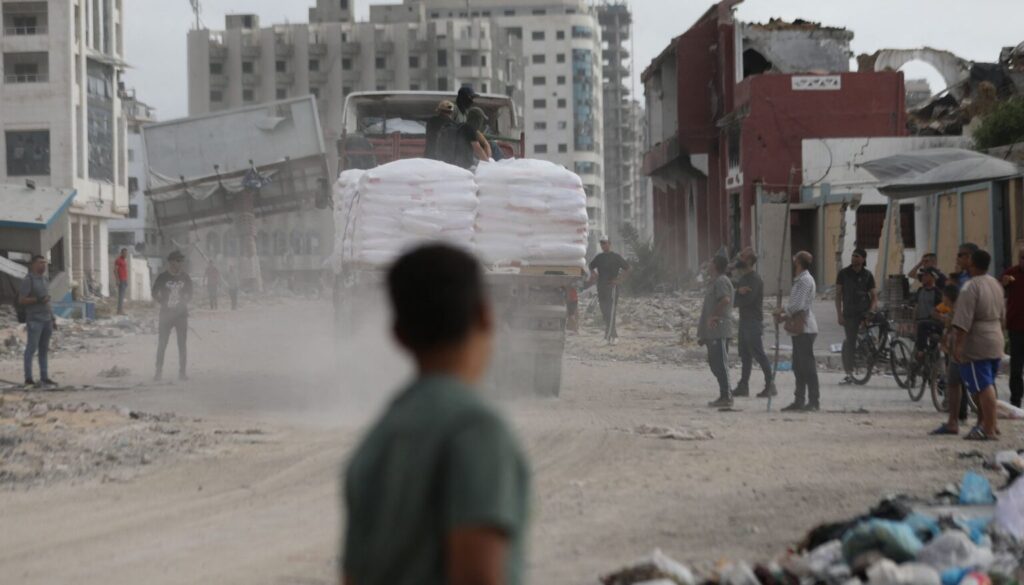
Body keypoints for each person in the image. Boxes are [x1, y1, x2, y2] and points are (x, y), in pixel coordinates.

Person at [342, 244, 529, 585]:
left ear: (397, 334)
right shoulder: (476, 429)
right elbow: (478, 576)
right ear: (486, 315)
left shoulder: (378, 440)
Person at [951, 249, 1005, 441]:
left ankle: (989, 428)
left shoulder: (970, 287)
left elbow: (963, 319)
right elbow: (1003, 315)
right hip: (996, 336)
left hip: (977, 342)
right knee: (988, 382)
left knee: (982, 386)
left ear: (972, 264)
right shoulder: (995, 284)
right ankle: (991, 424)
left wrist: (958, 345)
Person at [776, 251, 820, 412]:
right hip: (801, 327)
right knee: (799, 366)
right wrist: (782, 317)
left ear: (799, 263)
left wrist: (781, 310)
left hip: (805, 328)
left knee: (807, 367)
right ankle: (799, 400)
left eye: (795, 260)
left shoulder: (804, 281)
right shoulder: (801, 280)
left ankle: (813, 401)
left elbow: (797, 306)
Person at [732, 255, 775, 398]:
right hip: (744, 321)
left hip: (753, 321)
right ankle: (743, 385)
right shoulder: (743, 279)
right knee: (745, 355)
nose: (740, 258)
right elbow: (736, 297)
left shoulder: (755, 279)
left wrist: (736, 297)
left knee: (759, 354)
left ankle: (770, 385)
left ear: (749, 261)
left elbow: (747, 300)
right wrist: (737, 293)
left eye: (743, 257)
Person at [930, 283, 969, 435]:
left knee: (957, 383)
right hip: (957, 350)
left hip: (959, 351)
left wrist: (954, 347)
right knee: (959, 382)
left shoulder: (957, 309)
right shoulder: (954, 308)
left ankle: (958, 418)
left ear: (947, 296)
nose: (942, 298)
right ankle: (959, 416)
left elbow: (957, 330)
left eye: (943, 295)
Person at [835, 248, 877, 385]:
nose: (853, 258)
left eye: (857, 256)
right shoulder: (843, 274)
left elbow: (874, 297)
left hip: (864, 313)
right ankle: (848, 373)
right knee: (850, 343)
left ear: (863, 259)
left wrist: (871, 312)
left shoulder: (868, 275)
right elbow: (838, 295)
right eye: (853, 255)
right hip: (849, 314)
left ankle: (874, 356)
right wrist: (839, 315)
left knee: (879, 329)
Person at [700, 254, 735, 407]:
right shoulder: (713, 282)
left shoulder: (721, 281)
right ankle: (723, 394)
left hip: (720, 329)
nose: (708, 263)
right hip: (711, 331)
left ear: (715, 265)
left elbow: (725, 299)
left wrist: (714, 315)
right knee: (714, 364)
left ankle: (727, 396)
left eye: (711, 261)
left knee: (721, 363)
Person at [153, 251, 193, 381]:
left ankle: (182, 372)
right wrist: (163, 303)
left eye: (181, 261)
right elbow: (154, 292)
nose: (180, 264)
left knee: (182, 344)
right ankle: (158, 372)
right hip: (166, 315)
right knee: (162, 344)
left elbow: (190, 294)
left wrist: (183, 303)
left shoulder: (185, 277)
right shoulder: (162, 277)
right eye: (178, 261)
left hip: (181, 316)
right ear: (171, 262)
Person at [19, 255, 57, 388]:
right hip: (35, 320)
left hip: (46, 319)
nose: (44, 265)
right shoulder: (28, 280)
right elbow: (22, 300)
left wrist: (53, 318)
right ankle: (28, 378)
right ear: (33, 265)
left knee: (43, 349)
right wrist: (37, 300)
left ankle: (44, 377)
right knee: (31, 348)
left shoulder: (45, 280)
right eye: (41, 263)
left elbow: (47, 300)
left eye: (45, 263)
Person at [587, 236, 631, 344]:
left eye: (605, 243)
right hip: (601, 287)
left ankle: (611, 337)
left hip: (612, 287)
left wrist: (619, 280)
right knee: (604, 312)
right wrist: (593, 274)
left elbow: (628, 268)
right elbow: (591, 266)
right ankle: (611, 336)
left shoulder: (615, 257)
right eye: (601, 243)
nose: (603, 245)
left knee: (611, 312)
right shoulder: (599, 257)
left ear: (609, 244)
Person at [1001, 240, 1024, 408]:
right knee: (1016, 367)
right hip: (1016, 326)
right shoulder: (1011, 273)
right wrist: (1004, 283)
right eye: (1022, 257)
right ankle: (1016, 399)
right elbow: (998, 287)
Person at [912, 267, 945, 359]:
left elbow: (941, 311)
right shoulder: (920, 290)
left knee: (932, 351)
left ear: (933, 277)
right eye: (923, 275)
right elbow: (916, 307)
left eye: (926, 275)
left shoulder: (937, 293)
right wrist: (914, 322)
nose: (923, 277)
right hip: (920, 324)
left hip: (932, 324)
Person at [114, 248, 129, 315]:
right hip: (121, 280)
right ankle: (120, 311)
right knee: (121, 296)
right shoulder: (118, 260)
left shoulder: (124, 260)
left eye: (126, 253)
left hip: (124, 279)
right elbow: (115, 270)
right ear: (122, 253)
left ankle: (120, 310)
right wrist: (117, 280)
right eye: (125, 253)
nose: (126, 254)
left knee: (122, 296)